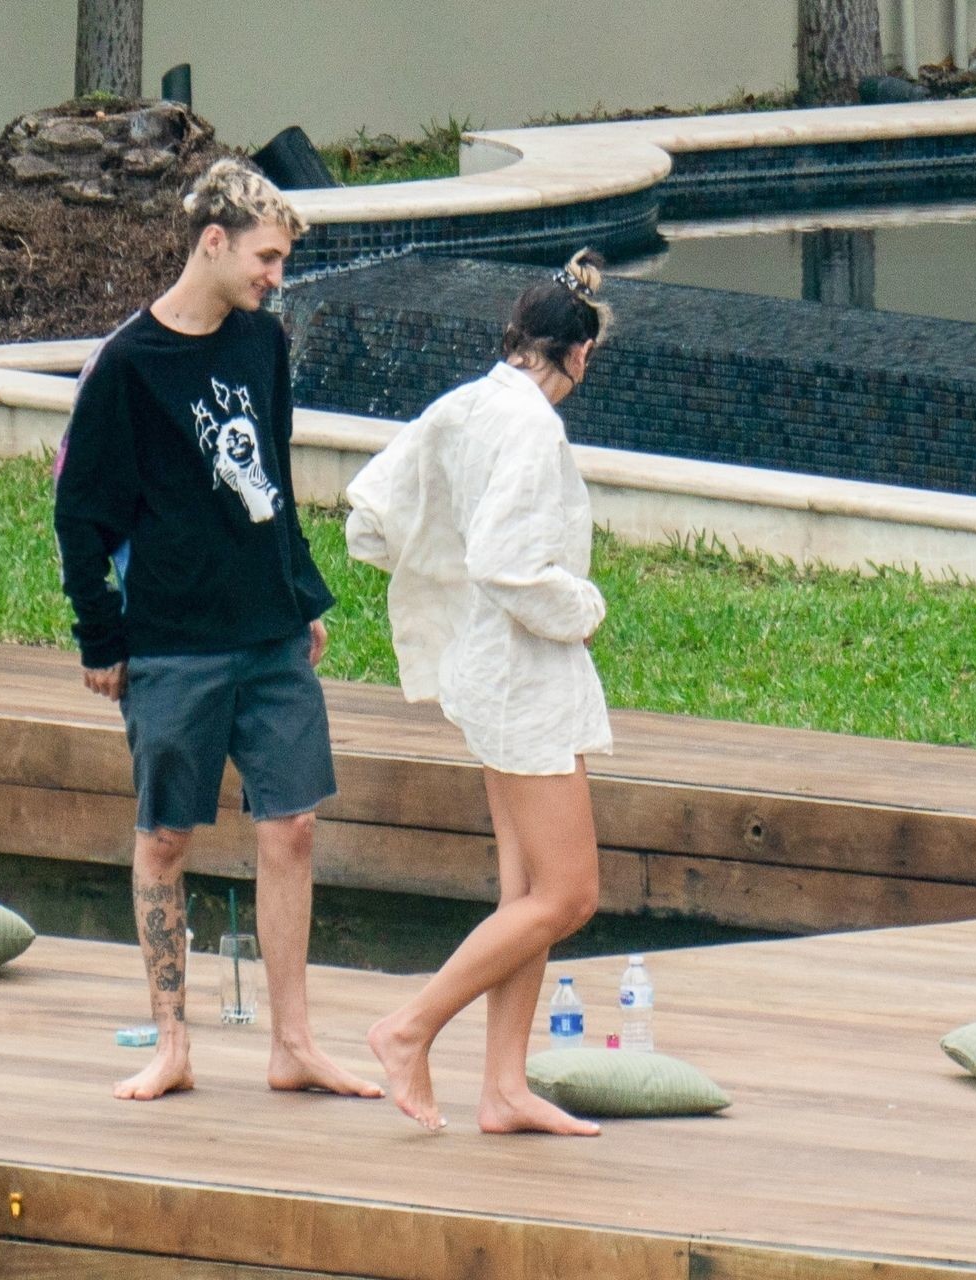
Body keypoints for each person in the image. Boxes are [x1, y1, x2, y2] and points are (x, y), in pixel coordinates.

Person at [53, 157, 382, 1104]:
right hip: (172, 643)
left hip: (270, 633)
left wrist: (301, 595)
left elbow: (272, 477)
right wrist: (101, 640)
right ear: (213, 242)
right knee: (164, 838)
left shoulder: (262, 343)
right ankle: (172, 1044)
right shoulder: (127, 366)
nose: (276, 277)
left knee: (294, 826)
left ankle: (293, 1044)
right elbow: (80, 515)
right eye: (266, 258)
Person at [346, 250, 615, 1135]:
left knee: (525, 894)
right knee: (568, 895)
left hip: (484, 669)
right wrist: (582, 606)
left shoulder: (465, 404)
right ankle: (408, 1027)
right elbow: (507, 563)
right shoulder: (532, 425)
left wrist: (442, 579)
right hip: (522, 676)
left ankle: (503, 1088)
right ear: (578, 353)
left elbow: (370, 518)